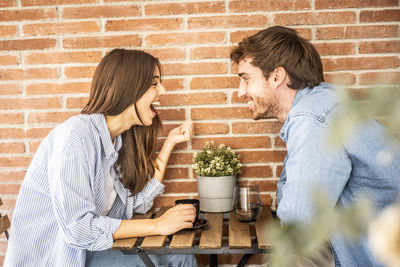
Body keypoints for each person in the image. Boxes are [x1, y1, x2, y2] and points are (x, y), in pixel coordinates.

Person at [4, 49, 198, 267]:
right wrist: (158, 226)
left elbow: (137, 205)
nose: (162, 89)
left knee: (181, 254)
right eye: (154, 83)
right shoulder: (75, 137)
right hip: (60, 258)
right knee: (180, 257)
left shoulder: (114, 142)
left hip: (87, 251)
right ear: (129, 87)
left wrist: (170, 144)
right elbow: (79, 230)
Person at [230, 26, 400, 266]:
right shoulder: (320, 104)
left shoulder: (311, 119)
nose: (240, 92)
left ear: (276, 76)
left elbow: (298, 224)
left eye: (246, 79)